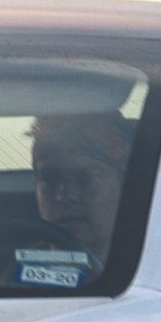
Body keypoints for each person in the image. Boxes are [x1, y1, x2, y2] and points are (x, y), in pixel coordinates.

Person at [26, 110, 134, 275]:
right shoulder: (8, 269)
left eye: (84, 179)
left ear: (123, 184)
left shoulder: (157, 271)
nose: (63, 196)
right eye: (49, 180)